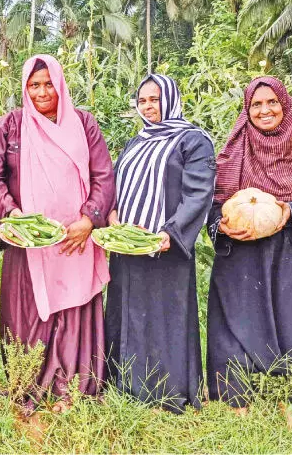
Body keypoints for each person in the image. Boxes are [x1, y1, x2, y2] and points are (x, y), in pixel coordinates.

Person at [206, 76, 292, 410]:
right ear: (247, 110)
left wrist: (290, 212)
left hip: (291, 253)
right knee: (235, 319)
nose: (264, 110)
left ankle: (289, 397)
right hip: (242, 255)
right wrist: (221, 225)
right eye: (256, 104)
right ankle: (235, 396)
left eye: (272, 102)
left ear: (285, 105)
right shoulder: (233, 154)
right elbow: (212, 202)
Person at [0, 55, 114, 410]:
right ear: (25, 88)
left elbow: (103, 175)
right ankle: (28, 384)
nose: (42, 92)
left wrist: (89, 219)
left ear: (60, 85)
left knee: (74, 311)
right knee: (28, 313)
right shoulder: (9, 126)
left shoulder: (84, 124)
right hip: (29, 241)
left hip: (76, 240)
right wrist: (14, 217)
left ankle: (72, 388)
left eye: (48, 84)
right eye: (34, 85)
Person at [105, 74, 215, 413]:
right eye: (142, 100)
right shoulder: (135, 142)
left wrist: (171, 232)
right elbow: (117, 184)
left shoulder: (192, 141)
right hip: (130, 245)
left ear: (171, 99)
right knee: (129, 311)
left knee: (164, 315)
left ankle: (167, 391)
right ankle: (126, 384)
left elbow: (198, 193)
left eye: (155, 99)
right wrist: (113, 216)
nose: (148, 106)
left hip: (166, 247)